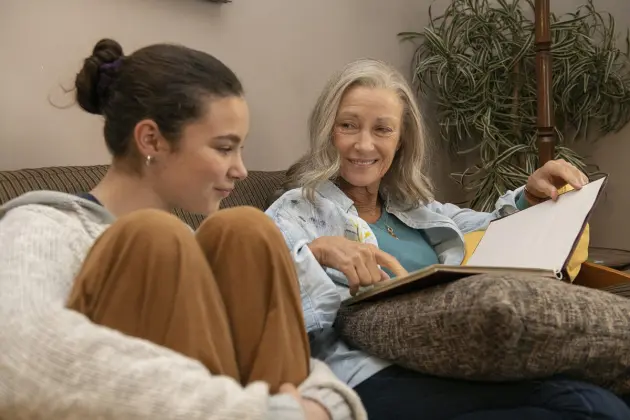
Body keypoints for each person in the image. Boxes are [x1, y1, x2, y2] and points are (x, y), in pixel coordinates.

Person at [0, 39, 367, 420]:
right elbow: (14, 356)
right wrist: (265, 413)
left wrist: (323, 406)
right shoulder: (41, 226)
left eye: (240, 149)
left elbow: (291, 359)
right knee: (154, 237)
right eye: (224, 148)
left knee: (246, 229)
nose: (241, 170)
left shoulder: (197, 246)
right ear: (151, 140)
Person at [265, 58, 630, 419]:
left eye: (382, 130)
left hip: (448, 361)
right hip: (369, 374)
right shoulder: (296, 211)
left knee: (602, 401)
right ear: (327, 130)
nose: (364, 145)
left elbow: (489, 227)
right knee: (587, 408)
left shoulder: (417, 208)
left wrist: (529, 198)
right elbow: (259, 299)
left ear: (401, 141)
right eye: (348, 125)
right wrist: (313, 254)